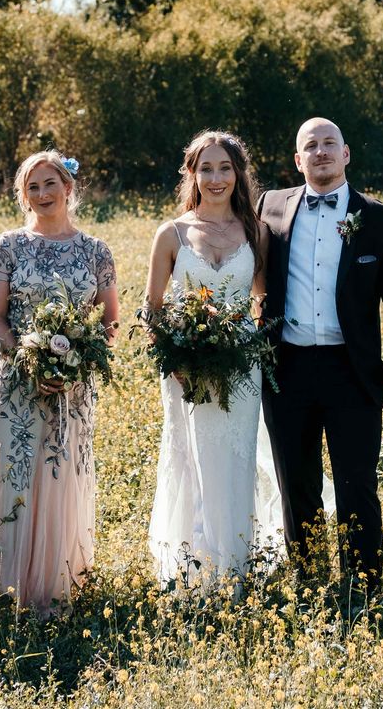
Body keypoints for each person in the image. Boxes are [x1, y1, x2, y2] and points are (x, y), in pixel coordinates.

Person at [258, 117, 383, 589]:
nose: (321, 152)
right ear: (298, 159)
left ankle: (363, 587)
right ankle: (308, 581)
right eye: (311, 145)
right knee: (297, 484)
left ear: (346, 154)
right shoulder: (271, 208)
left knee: (356, 484)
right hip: (286, 368)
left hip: (354, 371)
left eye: (330, 143)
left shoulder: (381, 218)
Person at [0, 151, 118, 611]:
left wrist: (75, 363)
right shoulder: (8, 245)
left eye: (50, 183)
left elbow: (110, 323)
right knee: (15, 469)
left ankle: (57, 579)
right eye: (32, 187)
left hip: (72, 388)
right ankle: (6, 580)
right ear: (22, 194)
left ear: (69, 188)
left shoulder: (96, 251)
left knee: (59, 472)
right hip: (16, 380)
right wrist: (28, 358)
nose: (42, 194)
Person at [146, 130, 271, 584]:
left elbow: (263, 301)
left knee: (236, 462)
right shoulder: (172, 233)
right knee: (192, 459)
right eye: (206, 169)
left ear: (238, 174)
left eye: (225, 168)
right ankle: (192, 571)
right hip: (185, 370)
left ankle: (235, 568)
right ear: (192, 174)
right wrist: (177, 355)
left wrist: (243, 346)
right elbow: (152, 311)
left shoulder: (256, 232)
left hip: (241, 368)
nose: (216, 178)